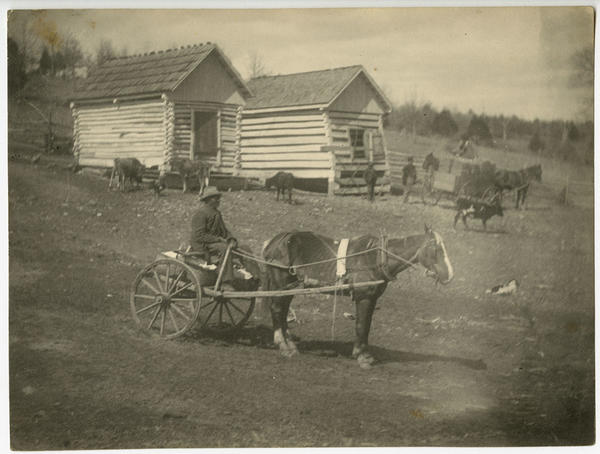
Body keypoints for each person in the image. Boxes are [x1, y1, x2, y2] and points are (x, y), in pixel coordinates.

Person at [190, 187, 237, 291]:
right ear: (208, 200)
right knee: (224, 248)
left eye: (218, 198)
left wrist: (231, 239)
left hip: (213, 243)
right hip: (202, 245)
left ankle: (255, 278)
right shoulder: (200, 214)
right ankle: (225, 282)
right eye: (216, 198)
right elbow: (199, 235)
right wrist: (218, 239)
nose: (218, 200)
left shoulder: (216, 213)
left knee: (243, 248)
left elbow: (224, 231)